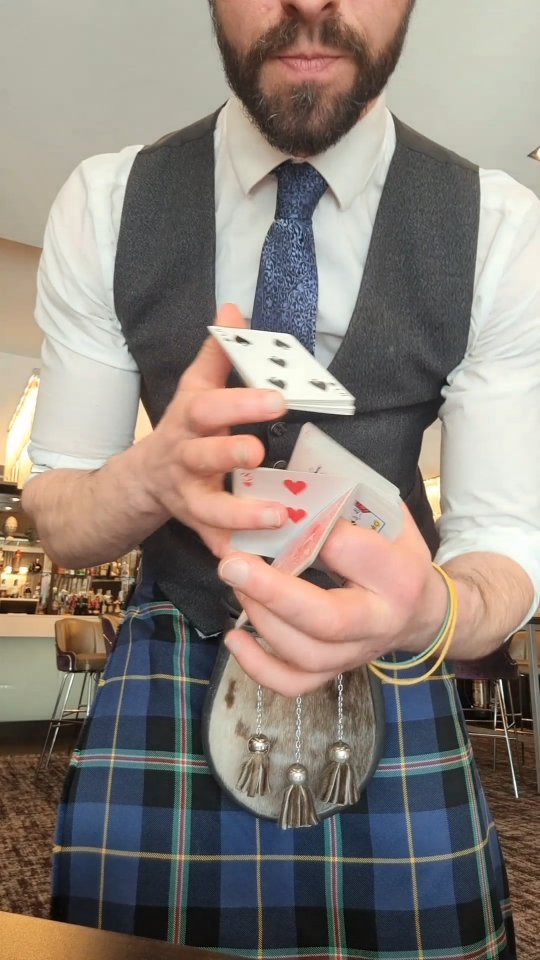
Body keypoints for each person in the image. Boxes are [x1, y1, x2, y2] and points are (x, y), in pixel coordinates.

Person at [23, 0, 540, 957]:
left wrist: (431, 609)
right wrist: (145, 480)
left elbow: (505, 545)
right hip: (169, 662)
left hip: (394, 683)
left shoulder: (504, 228)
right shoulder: (105, 201)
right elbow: (59, 511)